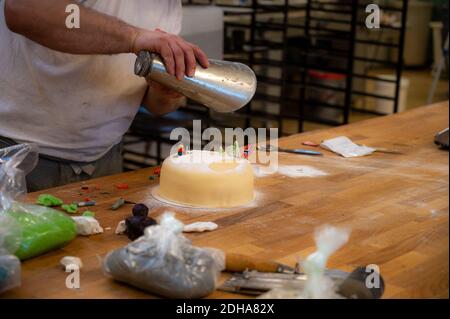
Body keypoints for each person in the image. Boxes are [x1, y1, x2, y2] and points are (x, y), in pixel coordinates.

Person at [0, 0, 209, 191]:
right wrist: (133, 37)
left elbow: (158, 106)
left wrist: (165, 90)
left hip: (104, 159)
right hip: (16, 157)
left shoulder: (169, 6)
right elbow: (25, 9)